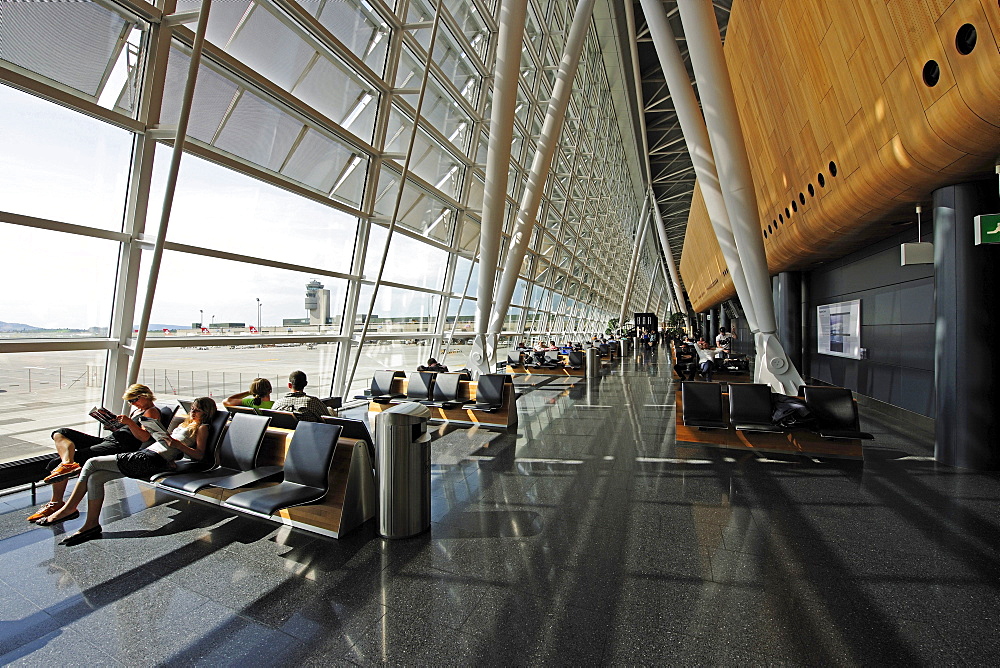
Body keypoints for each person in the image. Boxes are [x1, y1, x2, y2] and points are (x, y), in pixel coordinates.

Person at [35, 397, 217, 546]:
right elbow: (171, 450)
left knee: (91, 463)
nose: (193, 412)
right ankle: (91, 525)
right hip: (147, 455)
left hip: (149, 460)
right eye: (192, 408)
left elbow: (199, 455)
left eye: (198, 410)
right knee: (96, 478)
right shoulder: (186, 424)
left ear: (206, 413)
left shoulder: (202, 428)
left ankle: (68, 509)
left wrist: (175, 445)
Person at [28, 384, 163, 524]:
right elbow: (128, 432)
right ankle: (68, 463)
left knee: (55, 463)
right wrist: (114, 426)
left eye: (134, 400)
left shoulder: (151, 412)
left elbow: (144, 437)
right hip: (110, 440)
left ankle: (56, 502)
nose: (132, 404)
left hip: (119, 447)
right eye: (130, 401)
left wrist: (129, 422)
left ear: (144, 396)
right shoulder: (137, 411)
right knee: (62, 432)